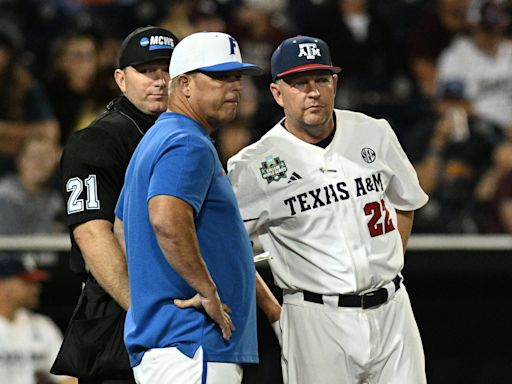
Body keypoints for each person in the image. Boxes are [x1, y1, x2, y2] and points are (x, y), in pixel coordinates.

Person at [227, 35, 429, 384]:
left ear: (335, 83)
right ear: (277, 93)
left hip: (393, 310)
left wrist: (387, 265)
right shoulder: (253, 165)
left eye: (321, 79)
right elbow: (228, 247)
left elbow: (406, 202)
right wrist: (274, 310)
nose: (313, 91)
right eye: (300, 82)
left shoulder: (373, 132)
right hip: (316, 320)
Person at [113, 31, 281, 384]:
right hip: (193, 345)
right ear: (185, 84)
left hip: (172, 346)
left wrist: (159, 287)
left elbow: (121, 227)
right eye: (220, 77)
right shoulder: (187, 142)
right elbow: (166, 221)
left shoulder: (159, 137)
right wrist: (205, 289)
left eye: (237, 77)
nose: (234, 87)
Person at [51, 25, 178, 384]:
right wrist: (146, 315)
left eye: (167, 69)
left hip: (179, 309)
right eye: (147, 71)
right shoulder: (97, 140)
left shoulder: (188, 135)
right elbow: (92, 236)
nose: (159, 80)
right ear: (121, 79)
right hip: (119, 316)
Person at [0, 252, 76, 384]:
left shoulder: (43, 325)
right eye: (27, 283)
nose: (37, 289)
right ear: (4, 285)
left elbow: (68, 379)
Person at [0, 135, 63, 235]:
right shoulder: (4, 193)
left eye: (46, 156)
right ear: (20, 160)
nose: (39, 162)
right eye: (34, 155)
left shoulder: (55, 199)